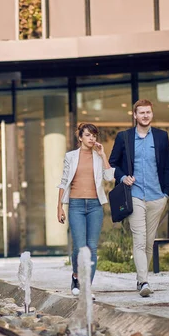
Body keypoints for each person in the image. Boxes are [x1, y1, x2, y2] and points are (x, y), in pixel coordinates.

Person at [109, 99, 169, 297]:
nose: (145, 115)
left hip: (156, 196)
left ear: (151, 114)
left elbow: (167, 166)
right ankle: (144, 281)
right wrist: (122, 177)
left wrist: (166, 194)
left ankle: (140, 279)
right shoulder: (124, 137)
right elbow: (112, 164)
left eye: (148, 112)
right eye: (141, 112)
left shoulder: (162, 137)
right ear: (135, 115)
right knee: (139, 239)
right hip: (134, 194)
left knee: (148, 241)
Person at [57, 123, 115, 297]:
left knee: (92, 247)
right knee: (79, 247)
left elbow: (110, 178)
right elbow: (63, 181)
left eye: (94, 136)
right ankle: (76, 276)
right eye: (88, 135)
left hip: (95, 206)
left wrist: (103, 155)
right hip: (76, 205)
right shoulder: (71, 156)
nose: (92, 139)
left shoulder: (98, 157)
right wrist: (59, 207)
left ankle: (86, 287)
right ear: (80, 137)